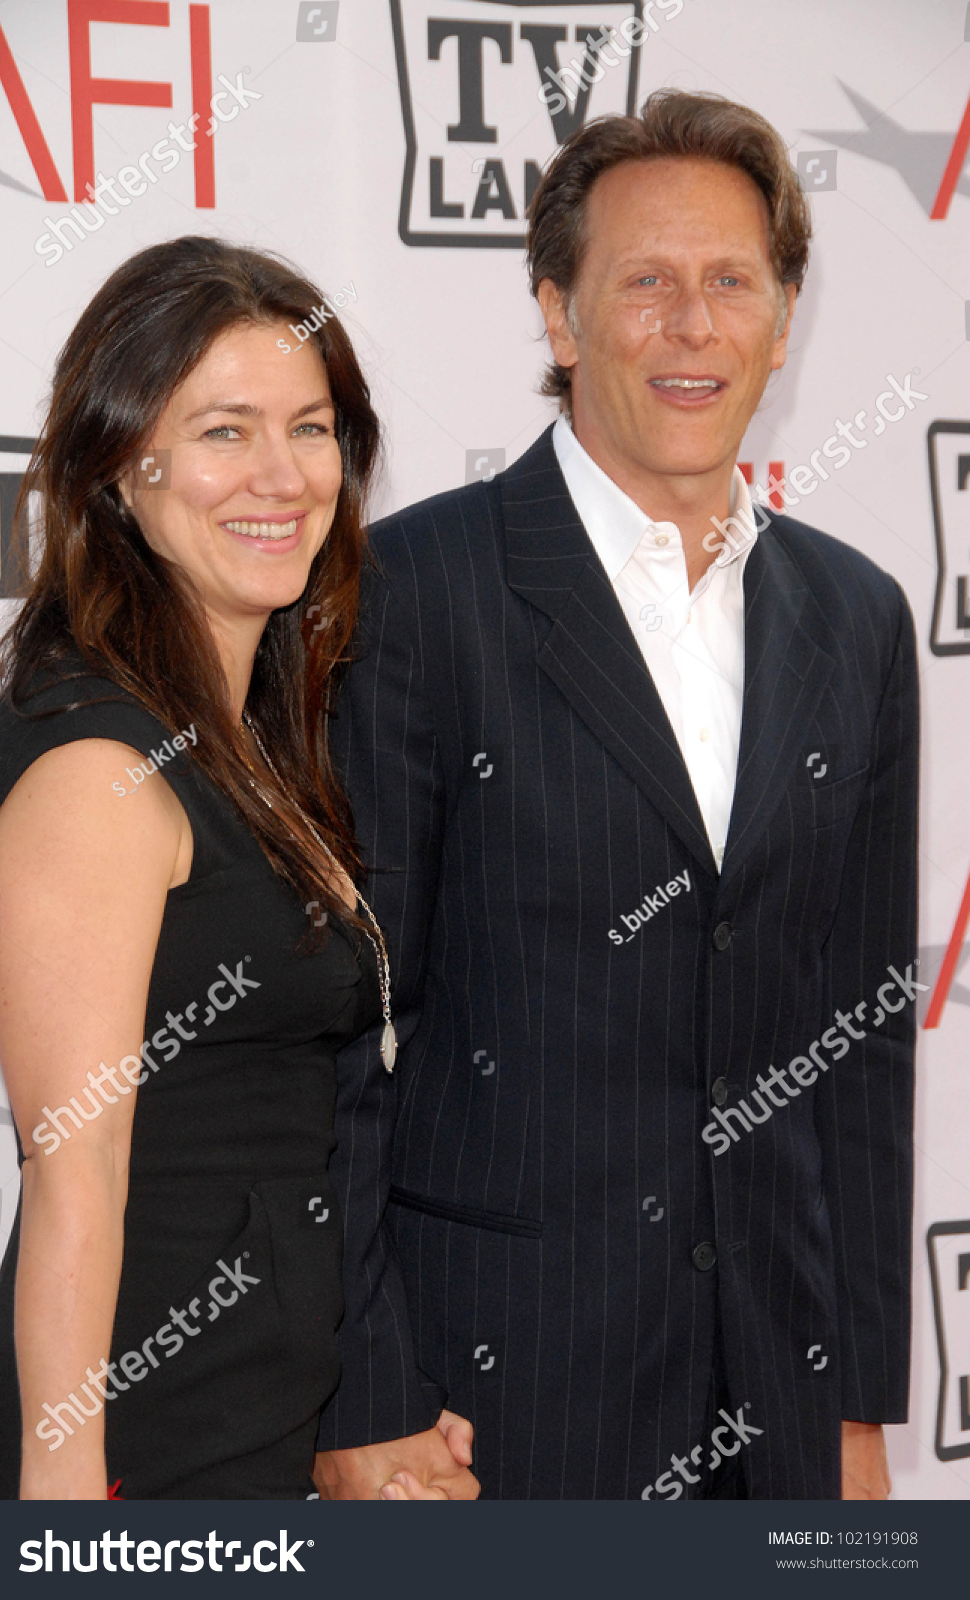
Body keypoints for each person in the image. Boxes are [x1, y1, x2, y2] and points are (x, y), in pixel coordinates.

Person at [314, 92, 918, 1500]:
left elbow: (862, 1045)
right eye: (644, 282)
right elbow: (339, 1038)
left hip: (778, 1402)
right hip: (487, 1407)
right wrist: (363, 1397)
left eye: (732, 283)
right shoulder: (412, 595)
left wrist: (858, 1397)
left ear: (783, 318)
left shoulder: (859, 615)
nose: (692, 324)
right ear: (560, 315)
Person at [0, 236, 476, 1500]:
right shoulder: (100, 762)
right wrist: (64, 1503)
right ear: (118, 467)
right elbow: (73, 1158)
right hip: (133, 1459)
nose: (281, 476)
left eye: (310, 429)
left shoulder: (243, 730)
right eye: (222, 431)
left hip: (245, 1434)